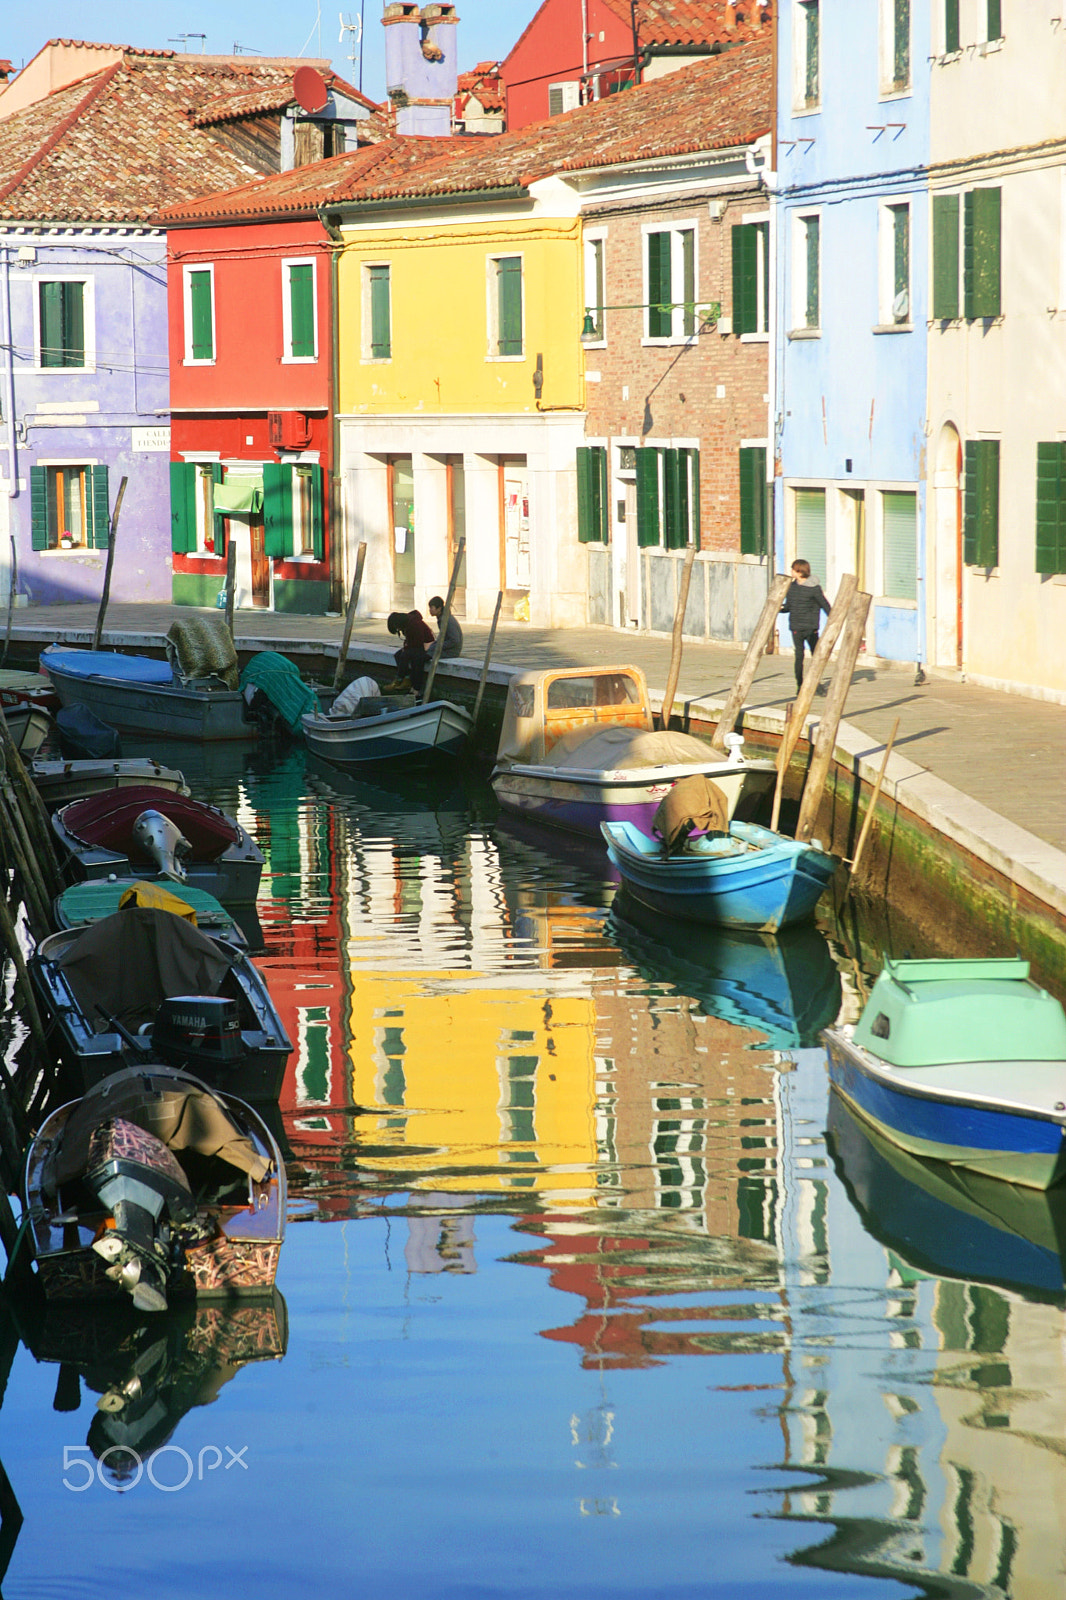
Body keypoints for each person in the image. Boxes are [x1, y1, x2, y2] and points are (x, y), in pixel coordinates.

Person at [780, 558, 830, 693]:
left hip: (811, 627)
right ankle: (800, 685)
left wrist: (833, 619)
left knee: (816, 656)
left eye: (793, 569)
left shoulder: (814, 588)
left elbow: (825, 605)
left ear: (799, 571)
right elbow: (789, 606)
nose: (791, 572)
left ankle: (816, 684)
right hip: (796, 627)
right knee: (799, 657)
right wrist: (779, 608)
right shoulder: (792, 587)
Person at [385, 609, 434, 693]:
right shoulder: (407, 624)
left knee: (406, 655)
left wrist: (407, 648)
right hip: (415, 645)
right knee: (398, 655)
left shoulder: (415, 624)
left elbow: (419, 641)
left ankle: (400, 678)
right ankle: (406, 678)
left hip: (426, 646)